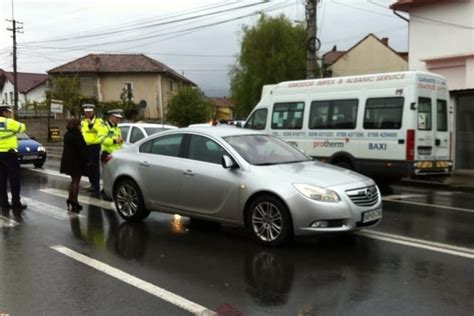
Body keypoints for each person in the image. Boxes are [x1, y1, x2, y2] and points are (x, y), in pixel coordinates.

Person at [0, 105, 27, 211]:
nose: (10, 114)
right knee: (14, 179)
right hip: (9, 155)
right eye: (9, 112)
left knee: (1, 180)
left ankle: (4, 203)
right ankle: (16, 203)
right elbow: (23, 128)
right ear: (4, 112)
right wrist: (13, 122)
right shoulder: (9, 122)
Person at [60, 118, 89, 212]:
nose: (81, 126)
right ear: (77, 125)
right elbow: (82, 149)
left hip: (68, 161)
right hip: (76, 161)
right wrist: (87, 160)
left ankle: (70, 199)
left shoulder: (67, 134)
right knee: (76, 181)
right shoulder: (78, 135)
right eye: (80, 124)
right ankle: (75, 201)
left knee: (73, 181)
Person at [80, 103, 106, 195]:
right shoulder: (83, 122)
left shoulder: (99, 121)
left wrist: (97, 142)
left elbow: (103, 133)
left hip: (94, 146)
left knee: (95, 167)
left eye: (89, 112)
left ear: (93, 112)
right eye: (86, 112)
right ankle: (92, 184)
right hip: (86, 147)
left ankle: (96, 186)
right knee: (88, 167)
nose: (88, 113)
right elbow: (82, 133)